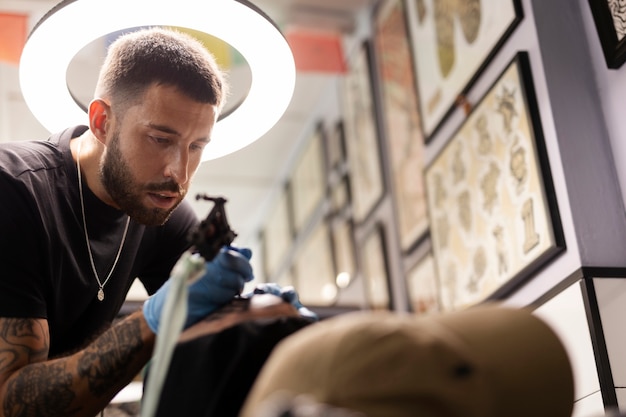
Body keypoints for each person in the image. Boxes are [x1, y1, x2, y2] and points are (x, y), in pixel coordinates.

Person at [0, 26, 259, 417]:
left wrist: (261, 313)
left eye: (196, 146)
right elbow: (10, 401)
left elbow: (218, 329)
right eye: (160, 139)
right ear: (102, 121)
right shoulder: (14, 191)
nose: (179, 172)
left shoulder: (158, 207)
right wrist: (154, 320)